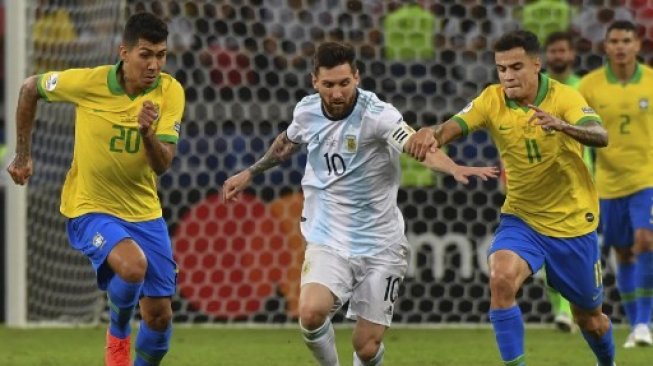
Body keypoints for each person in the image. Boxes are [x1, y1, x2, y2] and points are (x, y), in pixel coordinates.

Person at [222, 41, 498, 366]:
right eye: (328, 85)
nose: (337, 93)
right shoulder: (306, 111)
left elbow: (414, 144)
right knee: (310, 313)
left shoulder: (378, 115)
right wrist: (251, 172)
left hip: (382, 245)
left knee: (365, 347)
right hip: (329, 238)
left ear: (357, 77)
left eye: (344, 83)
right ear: (315, 81)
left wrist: (452, 167)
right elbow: (286, 144)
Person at [406, 30, 616, 366]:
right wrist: (429, 133)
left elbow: (600, 135)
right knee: (501, 277)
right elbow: (449, 128)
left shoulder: (565, 97)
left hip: (572, 224)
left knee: (590, 318)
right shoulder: (491, 99)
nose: (508, 76)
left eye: (516, 67)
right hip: (523, 218)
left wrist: (562, 126)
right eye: (501, 69)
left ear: (536, 65)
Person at [6, 12, 184, 366]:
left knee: (160, 318)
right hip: (90, 207)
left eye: (161, 55)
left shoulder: (170, 91)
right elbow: (30, 88)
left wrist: (147, 133)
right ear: (124, 52)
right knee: (133, 267)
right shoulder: (90, 82)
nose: (154, 64)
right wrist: (23, 156)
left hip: (144, 213)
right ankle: (117, 334)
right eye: (145, 54)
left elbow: (162, 165)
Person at [578, 20, 653, 349]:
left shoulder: (651, 82)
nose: (621, 46)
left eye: (626, 40)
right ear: (605, 46)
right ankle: (636, 322)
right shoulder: (589, 86)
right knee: (623, 253)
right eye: (614, 41)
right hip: (607, 184)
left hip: (647, 178)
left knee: (646, 241)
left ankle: (643, 323)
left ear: (638, 44)